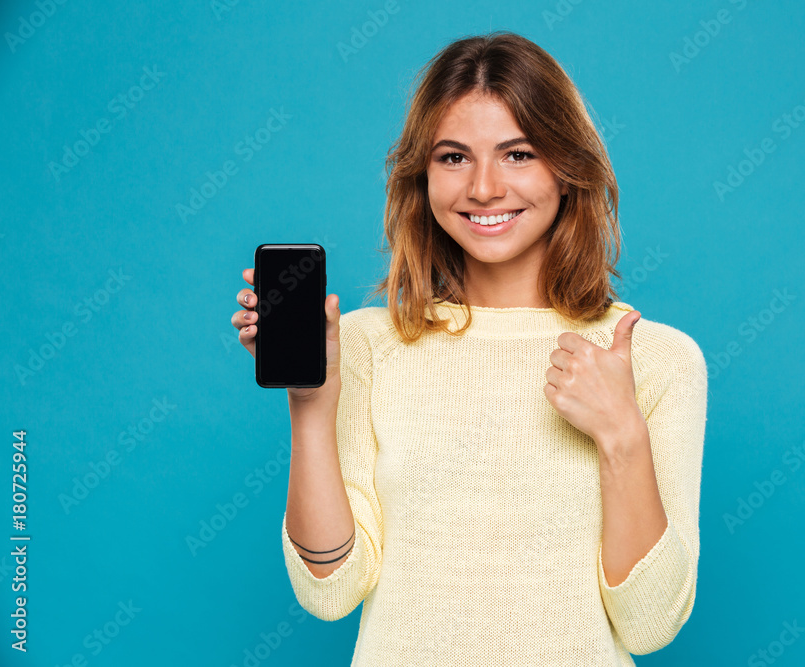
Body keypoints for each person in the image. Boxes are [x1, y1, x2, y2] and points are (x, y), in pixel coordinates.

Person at [231, 30, 708, 667]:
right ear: (421, 176)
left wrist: (622, 433)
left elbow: (649, 624)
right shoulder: (372, 346)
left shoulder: (656, 361)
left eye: (518, 154)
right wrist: (311, 403)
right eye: (454, 158)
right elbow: (330, 591)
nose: (483, 187)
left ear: (566, 170)